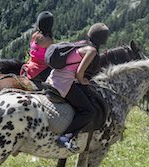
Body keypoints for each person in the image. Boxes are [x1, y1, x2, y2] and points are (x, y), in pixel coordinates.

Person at [46, 23, 110, 151]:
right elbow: (79, 72)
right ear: (103, 40)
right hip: (64, 83)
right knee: (88, 111)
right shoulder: (91, 51)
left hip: (54, 77)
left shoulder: (81, 43)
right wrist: (83, 80)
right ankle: (65, 137)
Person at [20, 11, 54, 86]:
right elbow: (51, 58)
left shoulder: (35, 35)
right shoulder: (48, 40)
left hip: (29, 65)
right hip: (40, 69)